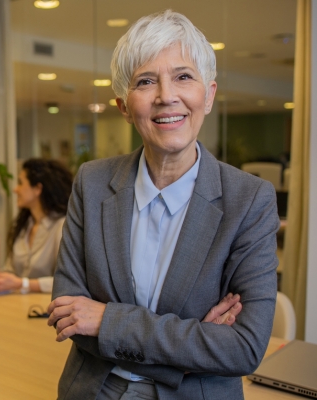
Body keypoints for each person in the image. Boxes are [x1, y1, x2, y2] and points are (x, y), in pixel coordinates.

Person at [47, 10, 279, 400]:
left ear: (208, 94)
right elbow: (69, 317)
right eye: (146, 81)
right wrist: (193, 347)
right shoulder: (92, 182)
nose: (166, 95)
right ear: (123, 106)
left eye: (184, 77)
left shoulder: (250, 199)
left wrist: (108, 322)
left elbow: (244, 347)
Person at [0, 158, 73, 293]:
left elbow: (68, 282)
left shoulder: (62, 227)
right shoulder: (24, 225)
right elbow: (13, 273)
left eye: (21, 183)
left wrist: (23, 284)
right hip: (18, 302)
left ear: (38, 189)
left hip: (44, 308)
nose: (16, 189)